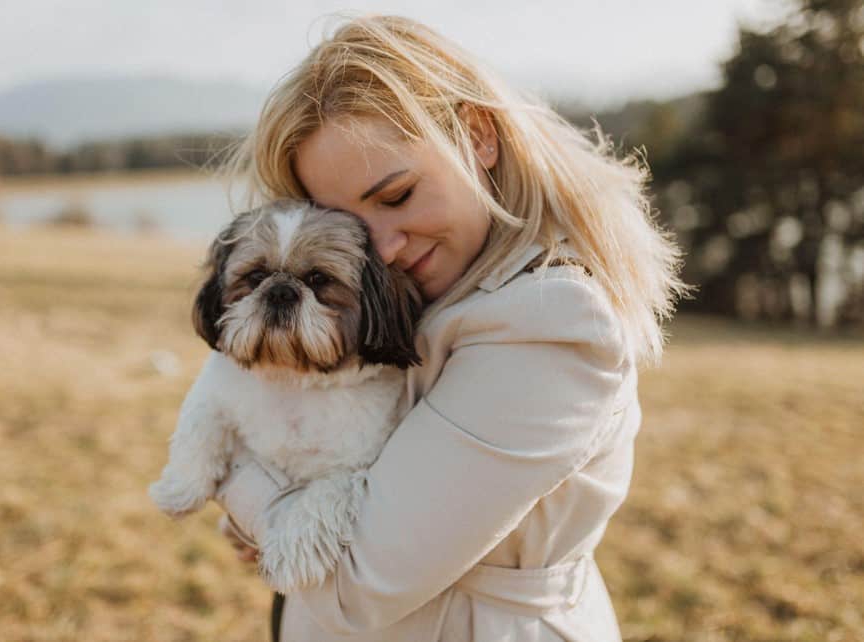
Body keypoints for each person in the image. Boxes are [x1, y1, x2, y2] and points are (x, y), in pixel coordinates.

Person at [211, 14, 687, 642]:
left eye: (398, 195)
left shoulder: (552, 324)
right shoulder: (428, 285)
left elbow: (357, 582)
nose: (379, 248)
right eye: (342, 225)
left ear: (479, 136)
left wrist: (233, 479)